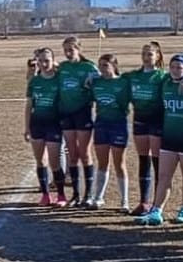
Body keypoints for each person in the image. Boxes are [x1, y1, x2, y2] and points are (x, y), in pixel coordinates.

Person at [136, 54, 183, 226]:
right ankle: (156, 210)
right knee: (164, 175)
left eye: (179, 67)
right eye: (172, 67)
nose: (175, 70)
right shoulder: (166, 83)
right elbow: (156, 74)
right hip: (169, 138)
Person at [54, 36, 97, 207]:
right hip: (66, 114)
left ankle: (88, 194)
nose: (68, 53)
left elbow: (101, 84)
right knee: (72, 155)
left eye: (71, 49)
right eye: (65, 50)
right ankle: (76, 195)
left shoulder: (89, 67)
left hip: (83, 113)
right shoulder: (62, 68)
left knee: (85, 154)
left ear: (79, 49)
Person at [127, 42, 166, 215]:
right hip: (139, 120)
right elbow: (111, 77)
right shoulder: (134, 76)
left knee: (158, 163)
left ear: (157, 56)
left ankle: (157, 204)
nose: (146, 57)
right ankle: (143, 201)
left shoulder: (162, 76)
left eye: (150, 54)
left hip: (157, 121)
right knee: (144, 160)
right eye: (144, 53)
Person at [88, 53, 131, 210]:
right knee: (102, 163)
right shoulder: (96, 82)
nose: (102, 69)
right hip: (101, 124)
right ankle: (98, 197)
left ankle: (124, 200)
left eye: (105, 65)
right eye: (100, 66)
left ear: (114, 66)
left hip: (118, 124)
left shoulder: (123, 82)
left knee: (119, 163)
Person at [24, 47, 64, 207]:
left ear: (53, 61)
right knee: (40, 161)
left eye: (47, 60)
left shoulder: (59, 78)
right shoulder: (34, 81)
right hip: (37, 124)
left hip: (54, 124)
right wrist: (27, 128)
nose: (43, 64)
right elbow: (29, 105)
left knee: (54, 162)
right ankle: (45, 195)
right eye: (41, 60)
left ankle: (61, 195)